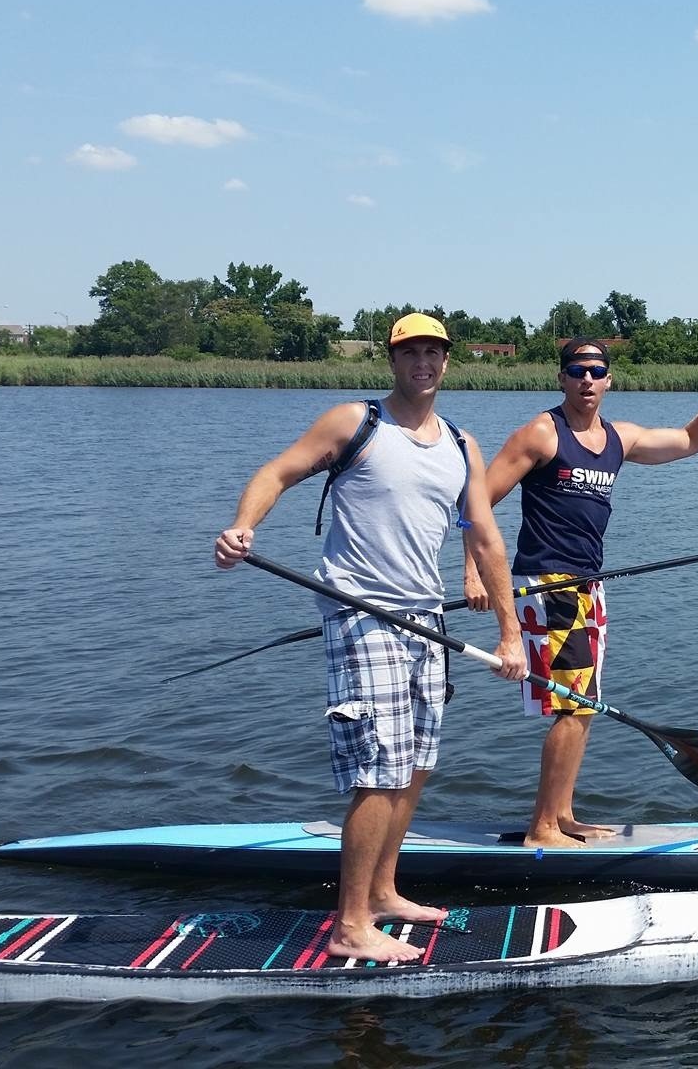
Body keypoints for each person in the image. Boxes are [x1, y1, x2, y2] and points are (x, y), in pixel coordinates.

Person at [212, 312, 527, 963]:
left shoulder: (462, 444)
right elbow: (276, 473)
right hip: (360, 611)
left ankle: (383, 892)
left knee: (415, 763)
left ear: (447, 361)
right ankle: (350, 923)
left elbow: (486, 538)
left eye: (433, 353)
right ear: (391, 360)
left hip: (425, 619)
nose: (423, 364)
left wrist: (509, 632)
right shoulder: (355, 422)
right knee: (378, 768)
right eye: (410, 353)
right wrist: (243, 527)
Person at [465, 337, 698, 849]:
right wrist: (473, 573)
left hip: (588, 585)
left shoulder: (620, 438)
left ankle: (562, 814)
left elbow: (691, 441)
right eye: (577, 371)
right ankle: (542, 828)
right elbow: (477, 503)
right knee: (575, 705)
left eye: (596, 371)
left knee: (585, 702)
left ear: (609, 380)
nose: (587, 380)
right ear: (562, 378)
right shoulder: (540, 433)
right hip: (549, 584)